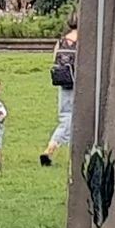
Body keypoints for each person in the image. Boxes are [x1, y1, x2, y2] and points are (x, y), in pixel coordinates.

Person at [42, 14, 80, 168]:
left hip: (62, 81)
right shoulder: (81, 42)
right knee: (69, 119)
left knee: (65, 115)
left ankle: (72, 151)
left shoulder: (61, 41)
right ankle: (50, 148)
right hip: (77, 81)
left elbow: (54, 60)